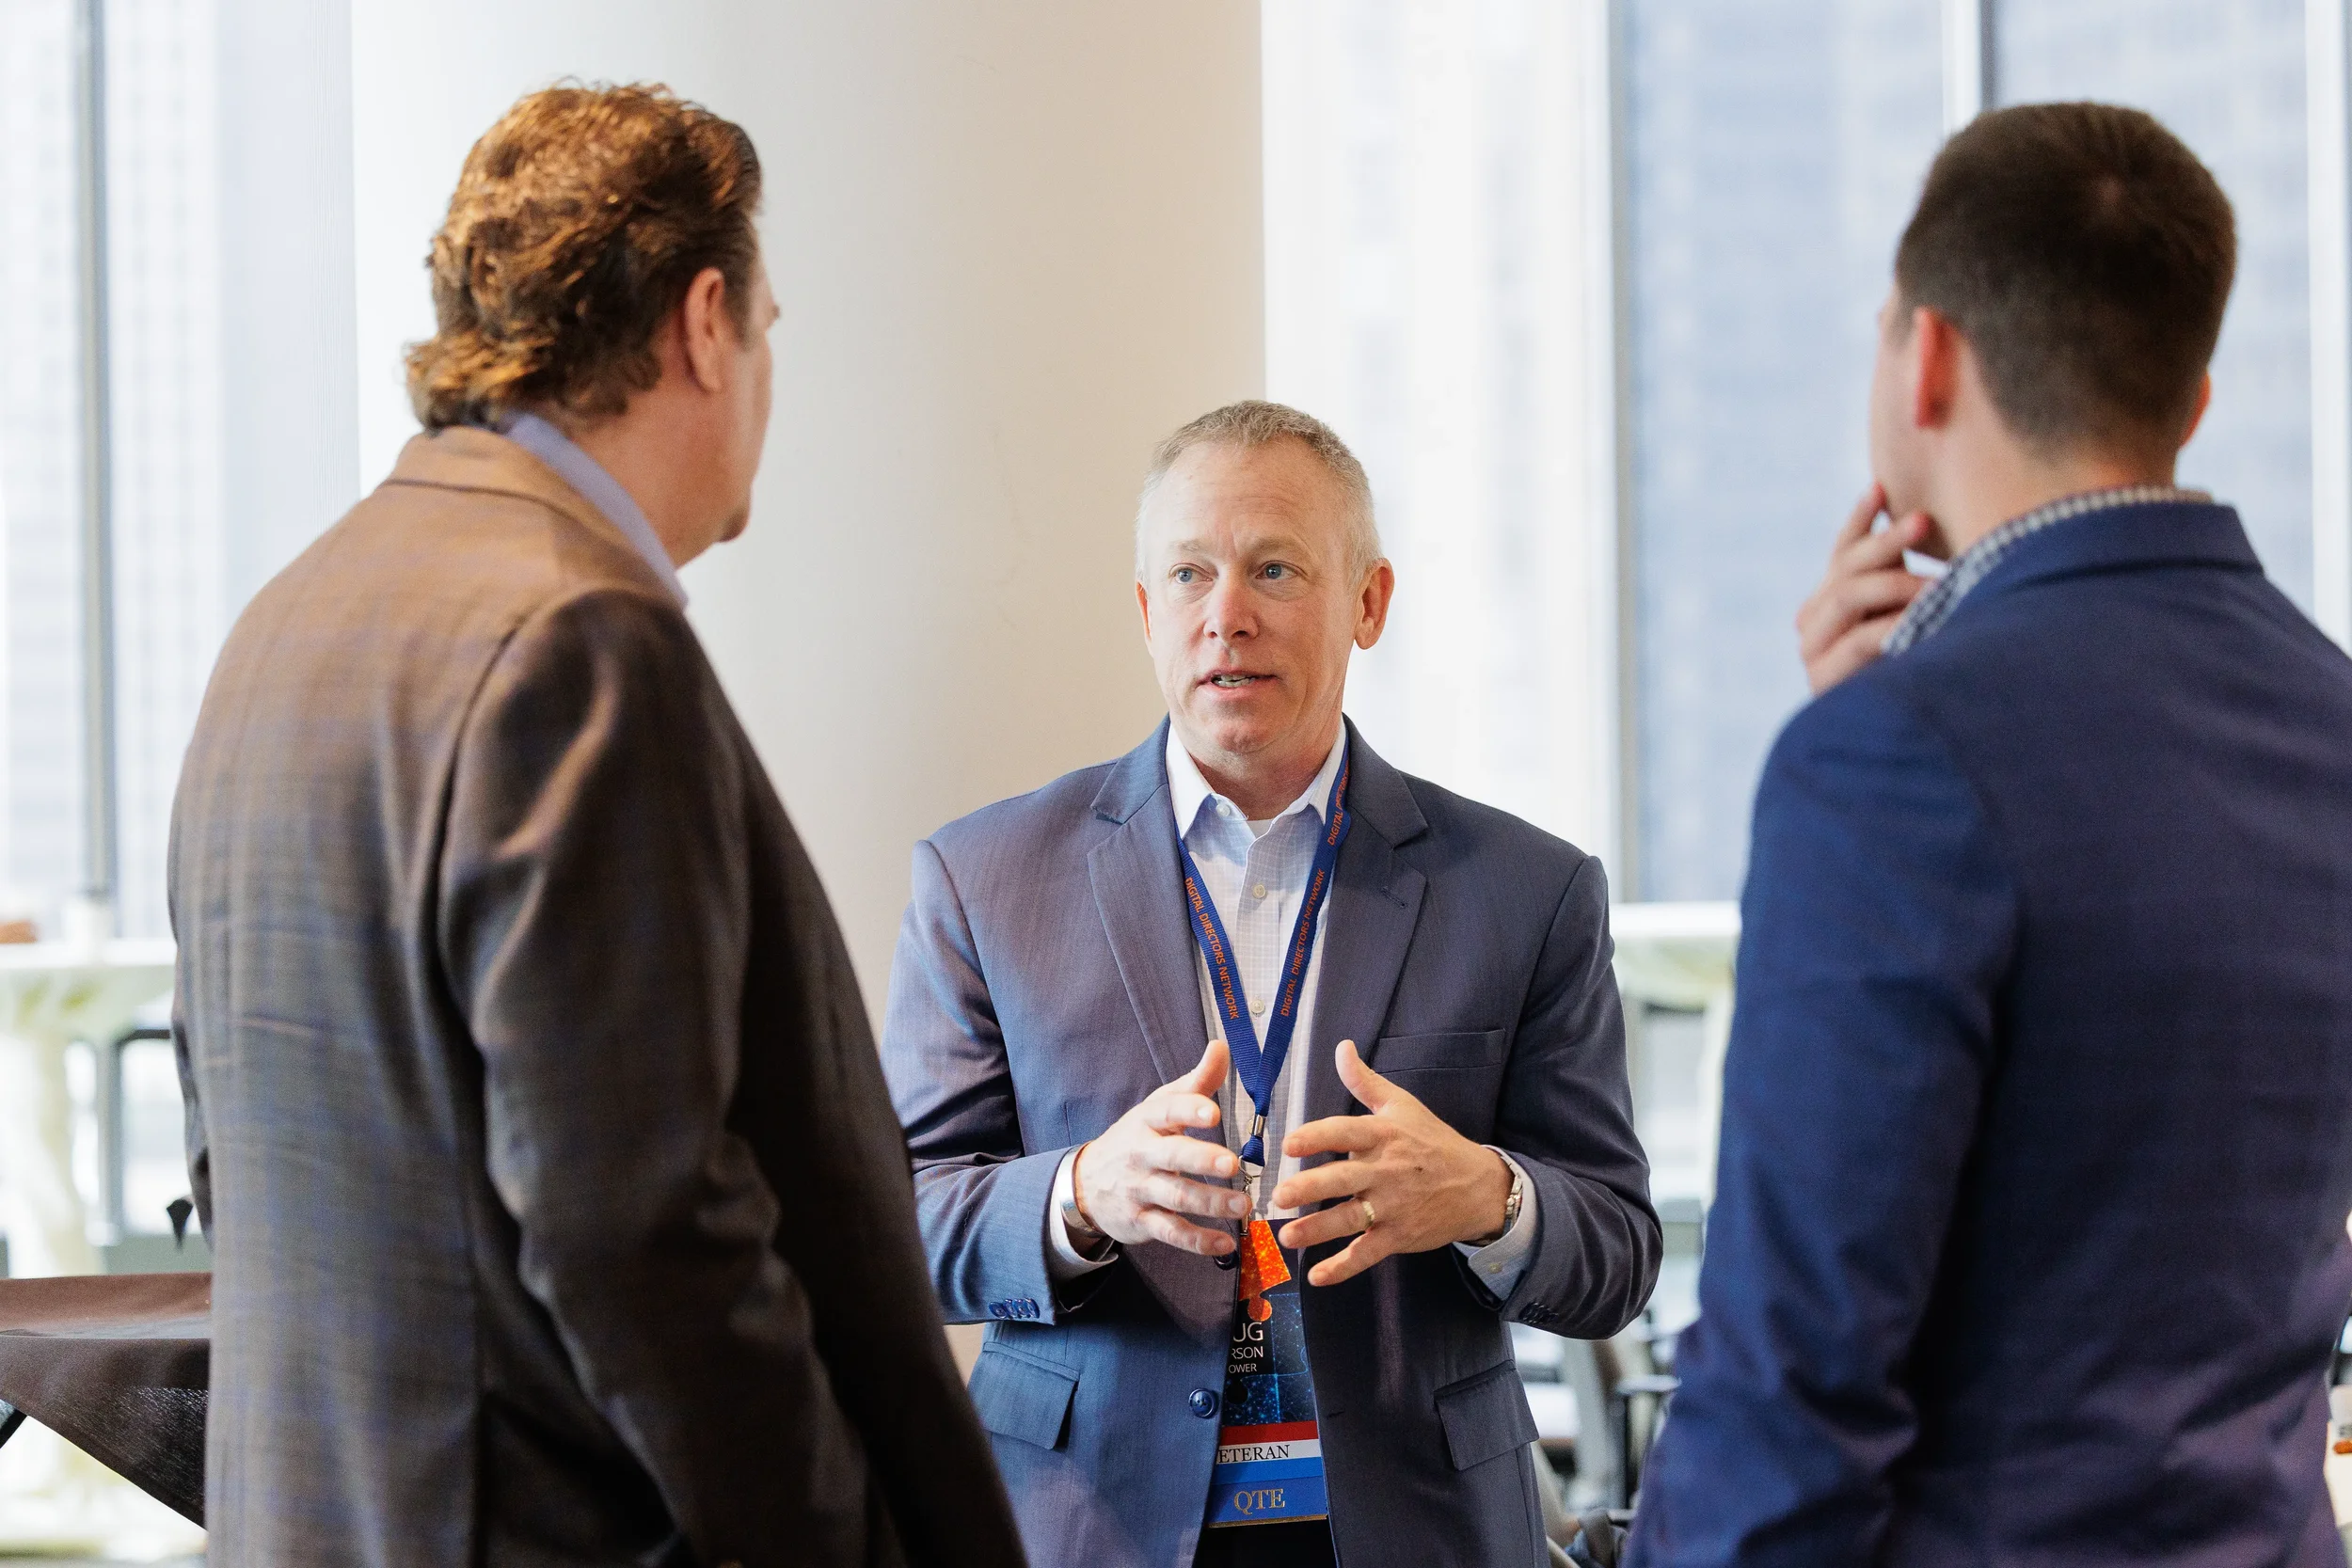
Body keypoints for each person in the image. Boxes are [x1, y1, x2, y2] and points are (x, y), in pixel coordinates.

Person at [169, 84, 1023, 1568]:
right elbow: (638, 1229)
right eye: (770, 324)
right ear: (705, 322)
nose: (766, 371)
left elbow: (231, 1158)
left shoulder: (287, 618)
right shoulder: (581, 639)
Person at [1626, 103, 2352, 1565]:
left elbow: (1793, 1380)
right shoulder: (2328, 714)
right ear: (2194, 399)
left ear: (1930, 354)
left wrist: (1870, 752)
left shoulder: (1894, 760)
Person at [881, 400, 1660, 1568]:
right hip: (1088, 1524)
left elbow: (1617, 1252)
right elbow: (902, 1219)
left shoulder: (1525, 889)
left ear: (1368, 601)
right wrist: (1081, 1190)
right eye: (1188, 573)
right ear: (1147, 613)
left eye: (1275, 568)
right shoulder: (985, 877)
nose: (1226, 616)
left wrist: (1486, 1196)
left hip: (1412, 1524)